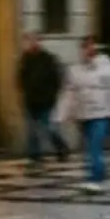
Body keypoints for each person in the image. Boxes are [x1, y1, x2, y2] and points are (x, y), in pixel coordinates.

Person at [61, 37, 110, 194]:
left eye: (88, 48)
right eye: (83, 48)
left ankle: (95, 179)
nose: (85, 51)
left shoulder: (108, 68)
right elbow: (69, 92)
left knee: (94, 147)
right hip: (84, 114)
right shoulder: (75, 70)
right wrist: (64, 112)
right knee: (90, 147)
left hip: (102, 113)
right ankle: (100, 177)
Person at [19, 33, 69, 169]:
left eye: (34, 40)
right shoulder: (25, 59)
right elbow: (21, 78)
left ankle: (61, 147)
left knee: (48, 128)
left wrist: (52, 96)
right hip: (30, 100)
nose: (32, 43)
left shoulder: (48, 59)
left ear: (39, 42)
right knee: (32, 129)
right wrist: (24, 91)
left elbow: (56, 79)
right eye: (30, 41)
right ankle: (34, 155)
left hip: (46, 101)